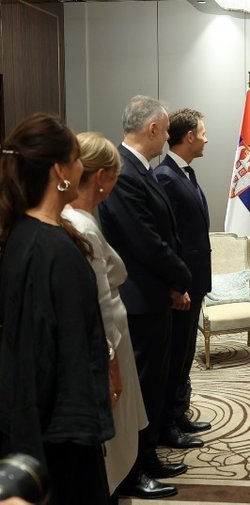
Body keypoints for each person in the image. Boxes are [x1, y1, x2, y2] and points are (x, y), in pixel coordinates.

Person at [0, 113, 114, 504]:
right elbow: (36, 358)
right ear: (59, 172)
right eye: (77, 158)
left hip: (53, 429)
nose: (82, 167)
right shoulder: (49, 249)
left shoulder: (29, 235)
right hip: (59, 440)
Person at [99, 95, 192, 499]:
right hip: (138, 300)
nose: (169, 137)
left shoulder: (141, 167)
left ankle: (148, 455)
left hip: (153, 295)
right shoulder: (123, 170)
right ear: (152, 129)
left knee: (153, 384)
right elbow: (146, 242)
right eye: (166, 130)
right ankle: (133, 471)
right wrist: (181, 277)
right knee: (140, 388)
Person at [61, 132, 149, 496]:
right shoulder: (81, 226)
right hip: (109, 341)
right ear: (101, 177)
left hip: (114, 335)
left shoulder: (81, 218)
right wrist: (111, 369)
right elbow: (98, 304)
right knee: (114, 430)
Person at [153, 109, 213, 448]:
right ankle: (166, 424)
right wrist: (177, 286)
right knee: (174, 356)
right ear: (189, 136)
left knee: (185, 353)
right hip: (181, 288)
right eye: (202, 133)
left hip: (194, 282)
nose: (206, 139)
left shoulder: (185, 173)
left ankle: (178, 413)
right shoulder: (165, 177)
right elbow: (168, 238)